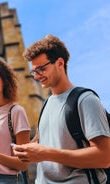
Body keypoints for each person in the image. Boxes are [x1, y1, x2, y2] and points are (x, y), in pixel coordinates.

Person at [12, 34, 110, 183]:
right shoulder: (46, 104)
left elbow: (104, 157)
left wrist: (47, 154)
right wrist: (24, 149)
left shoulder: (86, 100)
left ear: (59, 63)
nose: (37, 76)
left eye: (41, 69)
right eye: (34, 71)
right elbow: (44, 143)